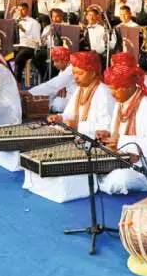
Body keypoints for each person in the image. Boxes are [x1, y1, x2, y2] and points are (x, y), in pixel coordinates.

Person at [27, 51, 114, 202]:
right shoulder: (81, 90)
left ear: (93, 73)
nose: (75, 77)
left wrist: (76, 125)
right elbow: (70, 115)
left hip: (93, 145)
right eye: (74, 73)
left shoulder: (103, 93)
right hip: (78, 137)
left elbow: (106, 130)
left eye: (79, 73)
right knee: (35, 153)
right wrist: (60, 118)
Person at [99, 60, 147, 194]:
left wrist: (121, 141)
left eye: (116, 89)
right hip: (125, 161)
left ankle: (100, 181)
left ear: (130, 86)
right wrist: (108, 135)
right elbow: (118, 134)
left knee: (118, 180)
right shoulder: (120, 104)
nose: (112, 94)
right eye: (111, 89)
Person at [28, 46, 75, 113]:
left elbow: (53, 85)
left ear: (64, 60)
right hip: (68, 98)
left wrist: (30, 92)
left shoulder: (70, 69)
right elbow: (55, 86)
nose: (54, 65)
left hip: (75, 100)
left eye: (56, 61)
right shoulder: (64, 70)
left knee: (58, 105)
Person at [13, 2, 41, 85]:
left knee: (19, 58)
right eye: (19, 10)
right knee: (4, 56)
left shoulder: (34, 23)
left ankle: (17, 82)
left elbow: (37, 39)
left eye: (23, 10)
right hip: (15, 46)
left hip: (28, 47)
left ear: (27, 10)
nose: (21, 12)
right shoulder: (13, 21)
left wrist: (24, 30)